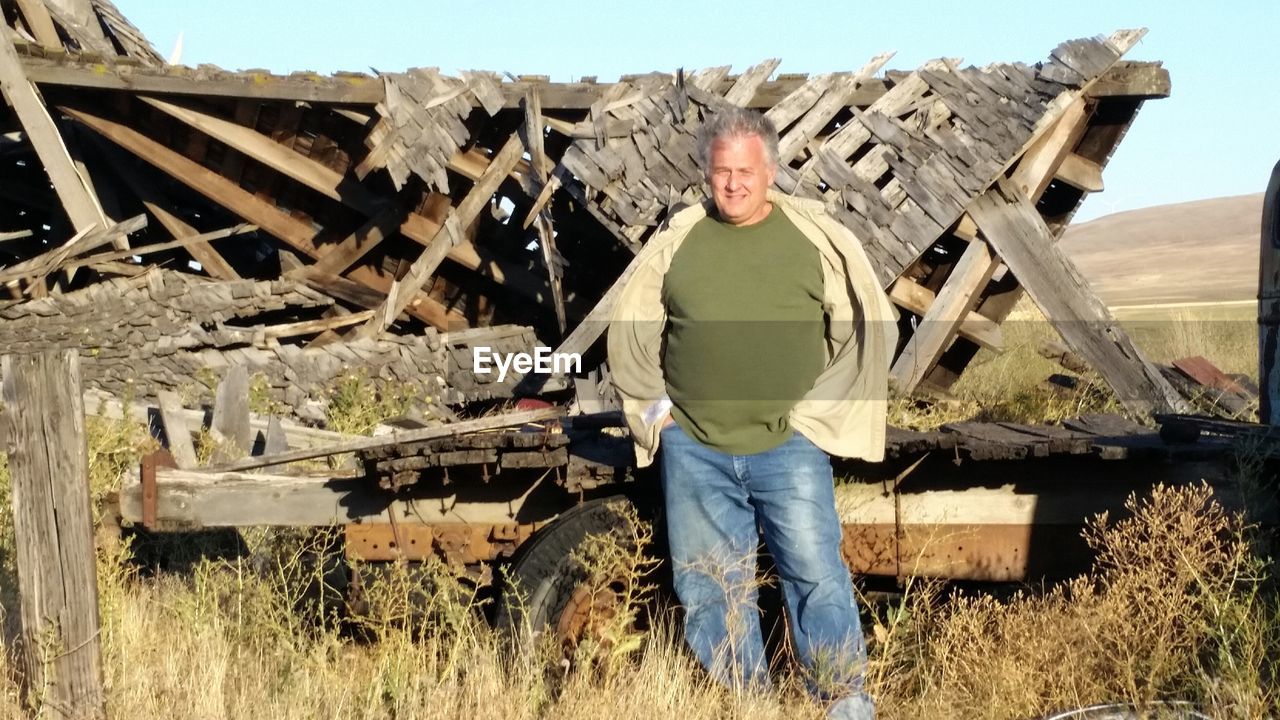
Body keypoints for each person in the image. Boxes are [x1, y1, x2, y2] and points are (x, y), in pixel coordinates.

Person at [607, 105, 898, 719]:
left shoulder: (815, 239)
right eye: (720, 172)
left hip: (789, 445)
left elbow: (864, 327)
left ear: (769, 172)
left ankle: (844, 706)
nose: (732, 184)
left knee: (817, 579)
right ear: (706, 175)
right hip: (695, 447)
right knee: (711, 589)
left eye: (744, 171)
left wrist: (818, 418)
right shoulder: (680, 240)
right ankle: (747, 708)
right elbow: (632, 328)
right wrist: (660, 413)